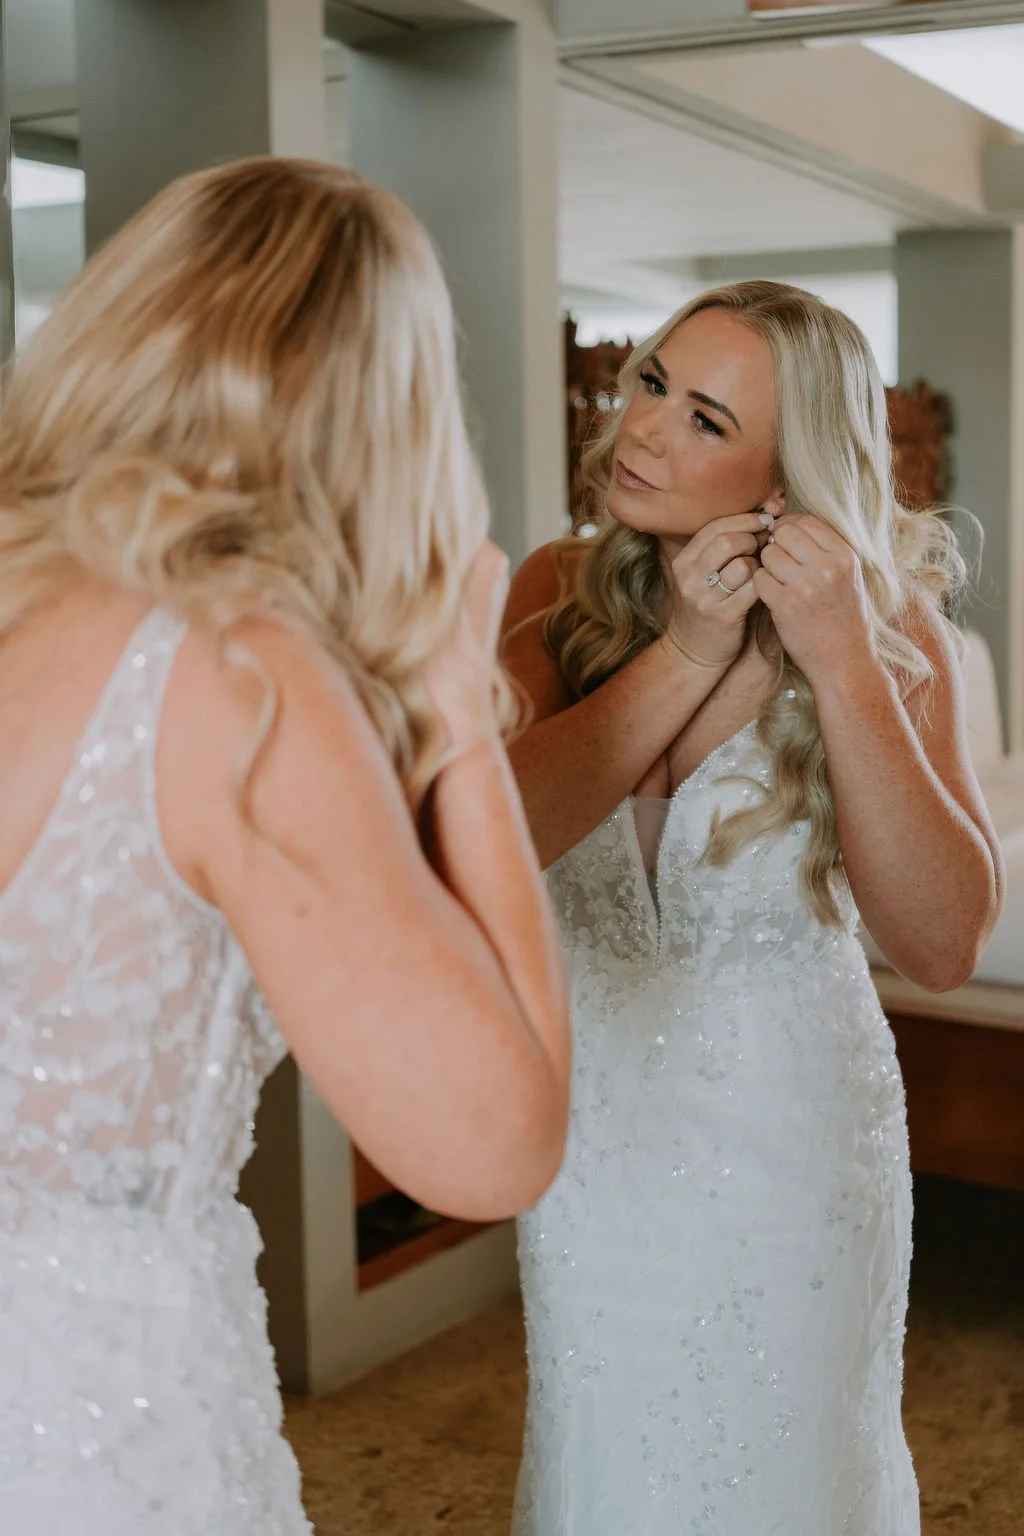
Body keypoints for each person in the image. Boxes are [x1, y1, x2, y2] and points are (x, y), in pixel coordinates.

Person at [0, 157, 570, 1535]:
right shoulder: (230, 676)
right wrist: (456, 719)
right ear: (394, 424)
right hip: (83, 1431)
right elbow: (495, 1149)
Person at [502, 281, 1003, 1535]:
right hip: (596, 1159)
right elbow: (502, 838)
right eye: (656, 382)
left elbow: (941, 945)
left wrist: (839, 660)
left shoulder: (886, 628)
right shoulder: (554, 591)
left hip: (796, 1156)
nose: (646, 427)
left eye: (707, 417)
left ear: (788, 476)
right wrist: (680, 650)